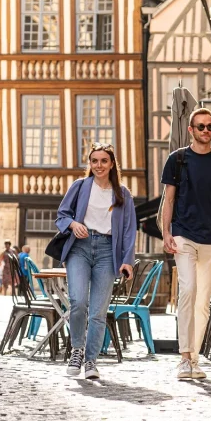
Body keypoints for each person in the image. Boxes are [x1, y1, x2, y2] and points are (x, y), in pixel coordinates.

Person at [160, 107, 211, 381]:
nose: (206, 131)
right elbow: (168, 200)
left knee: (203, 300)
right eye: (201, 127)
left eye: (210, 126)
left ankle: (194, 358)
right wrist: (166, 232)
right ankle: (184, 357)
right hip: (183, 233)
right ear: (191, 130)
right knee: (188, 290)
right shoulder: (177, 160)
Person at [56, 143, 136, 380]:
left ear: (112, 164)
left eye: (103, 161)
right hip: (79, 248)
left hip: (106, 252)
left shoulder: (123, 194)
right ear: (89, 164)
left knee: (99, 312)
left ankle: (91, 361)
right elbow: (62, 214)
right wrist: (74, 224)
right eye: (94, 161)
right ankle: (77, 351)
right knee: (78, 301)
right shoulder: (80, 187)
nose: (98, 165)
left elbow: (130, 230)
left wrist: (127, 261)